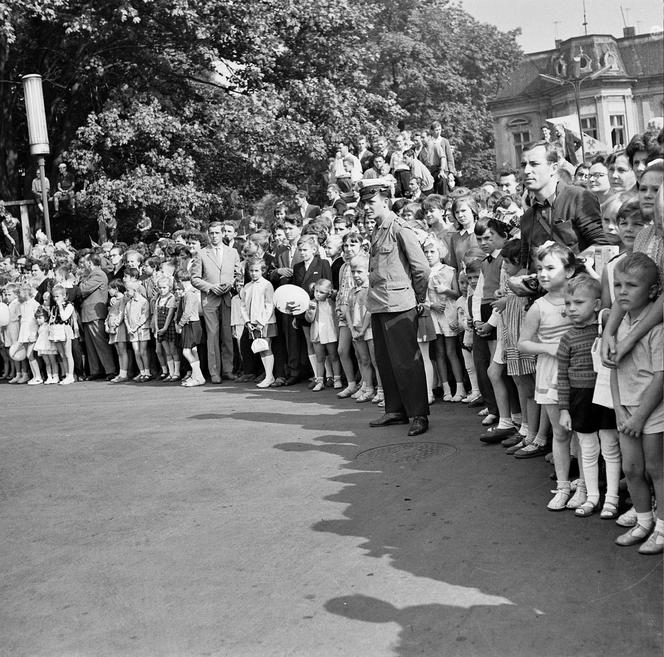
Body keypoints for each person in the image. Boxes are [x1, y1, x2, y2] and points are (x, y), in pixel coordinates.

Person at [361, 180, 430, 436]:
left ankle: (419, 414)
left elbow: (421, 268)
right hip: (379, 304)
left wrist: (417, 297)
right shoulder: (378, 229)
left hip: (400, 305)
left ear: (386, 201)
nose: (366, 208)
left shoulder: (400, 228)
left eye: (371, 202)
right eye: (364, 203)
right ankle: (395, 410)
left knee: (406, 362)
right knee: (386, 362)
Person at [610, 253, 664, 554]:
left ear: (653, 290)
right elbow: (613, 373)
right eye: (618, 285)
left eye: (631, 285)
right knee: (632, 470)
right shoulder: (618, 325)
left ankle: (662, 528)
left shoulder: (656, 329)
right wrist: (619, 410)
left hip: (652, 411)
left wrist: (640, 417)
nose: (622, 291)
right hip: (626, 411)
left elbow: (661, 378)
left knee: (657, 470)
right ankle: (643, 521)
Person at [518, 242, 576, 510]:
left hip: (580, 370)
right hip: (551, 373)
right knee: (561, 433)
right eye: (540, 268)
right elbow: (523, 343)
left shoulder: (580, 297)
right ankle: (563, 486)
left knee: (583, 432)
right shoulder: (538, 306)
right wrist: (549, 348)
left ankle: (585, 487)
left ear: (570, 270)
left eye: (550, 268)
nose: (542, 273)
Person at [557, 274, 619, 518]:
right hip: (579, 399)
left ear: (595, 305)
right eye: (568, 303)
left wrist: (605, 317)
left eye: (579, 303)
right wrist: (563, 409)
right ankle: (592, 496)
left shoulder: (606, 330)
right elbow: (562, 377)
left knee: (611, 447)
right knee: (588, 448)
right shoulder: (567, 339)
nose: (572, 308)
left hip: (605, 394)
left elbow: (612, 312)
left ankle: (612, 498)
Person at [519, 140, 606, 271]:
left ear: (553, 168)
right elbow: (526, 265)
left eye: (534, 164)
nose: (526, 170)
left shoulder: (579, 198)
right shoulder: (527, 218)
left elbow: (601, 244)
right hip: (546, 291)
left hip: (580, 286)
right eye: (523, 164)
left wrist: (567, 267)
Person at [191, 221, 243, 383]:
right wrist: (211, 287)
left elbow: (238, 274)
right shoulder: (201, 253)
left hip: (227, 297)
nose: (214, 236)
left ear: (223, 234)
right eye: (211, 233)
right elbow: (195, 279)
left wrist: (231, 284)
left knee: (227, 336)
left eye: (217, 233)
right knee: (212, 336)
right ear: (208, 234)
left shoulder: (232, 252)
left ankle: (228, 369)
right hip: (210, 298)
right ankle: (214, 372)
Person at [424, 237, 464, 402]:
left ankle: (460, 387)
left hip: (448, 312)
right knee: (438, 351)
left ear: (440, 253)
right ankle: (446, 387)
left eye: (432, 251)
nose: (429, 255)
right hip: (433, 314)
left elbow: (457, 293)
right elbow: (420, 296)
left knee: (451, 351)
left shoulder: (449, 270)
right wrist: (431, 305)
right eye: (426, 252)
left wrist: (445, 290)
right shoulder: (423, 271)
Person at [346, 254, 383, 404]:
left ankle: (381, 390)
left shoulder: (371, 289)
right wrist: (353, 329)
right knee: (363, 359)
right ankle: (368, 388)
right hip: (356, 329)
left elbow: (370, 310)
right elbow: (347, 311)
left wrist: (362, 330)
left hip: (369, 330)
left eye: (359, 271)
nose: (356, 275)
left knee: (376, 360)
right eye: (353, 272)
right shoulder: (352, 291)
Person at [239, 257, 277, 389]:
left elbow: (269, 304)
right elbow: (243, 305)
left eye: (257, 271)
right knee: (260, 349)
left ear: (263, 271)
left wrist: (261, 321)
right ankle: (268, 375)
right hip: (252, 324)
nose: (254, 273)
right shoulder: (247, 286)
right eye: (251, 271)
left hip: (265, 322)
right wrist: (247, 322)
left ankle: (269, 376)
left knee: (266, 348)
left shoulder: (267, 285)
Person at [79, 253, 116, 380]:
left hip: (95, 313)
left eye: (85, 263)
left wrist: (81, 281)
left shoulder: (98, 274)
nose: (84, 265)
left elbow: (83, 289)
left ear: (90, 263)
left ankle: (110, 369)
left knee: (100, 343)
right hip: (88, 313)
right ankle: (96, 370)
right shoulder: (91, 275)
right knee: (91, 345)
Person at [304, 279, 342, 391]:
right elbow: (309, 319)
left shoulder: (332, 303)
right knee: (320, 358)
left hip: (330, 333)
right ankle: (320, 381)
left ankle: (337, 379)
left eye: (321, 292)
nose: (317, 294)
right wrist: (310, 310)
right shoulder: (312, 303)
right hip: (317, 334)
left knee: (333, 356)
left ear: (329, 293)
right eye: (316, 291)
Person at [175, 269, 205, 387]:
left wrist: (180, 324)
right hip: (193, 323)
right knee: (193, 350)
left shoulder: (189, 293)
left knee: (186, 351)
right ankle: (197, 376)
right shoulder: (190, 292)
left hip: (190, 324)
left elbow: (187, 313)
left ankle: (198, 376)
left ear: (181, 281)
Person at [153, 274, 179, 381]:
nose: (162, 290)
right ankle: (171, 372)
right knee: (167, 352)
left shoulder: (171, 298)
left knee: (173, 350)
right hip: (160, 328)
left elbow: (169, 316)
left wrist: (164, 328)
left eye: (164, 287)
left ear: (169, 287)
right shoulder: (158, 299)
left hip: (168, 327)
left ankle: (176, 372)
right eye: (160, 288)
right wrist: (156, 328)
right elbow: (156, 315)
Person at [124, 280, 151, 382]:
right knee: (136, 352)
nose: (126, 292)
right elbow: (126, 316)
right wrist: (129, 328)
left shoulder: (143, 301)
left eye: (128, 290)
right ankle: (142, 372)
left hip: (142, 329)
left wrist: (136, 327)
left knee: (143, 351)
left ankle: (147, 372)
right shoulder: (129, 303)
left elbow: (145, 316)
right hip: (132, 331)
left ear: (134, 290)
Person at [49, 284, 76, 385]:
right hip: (56, 331)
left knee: (68, 354)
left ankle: (71, 375)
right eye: (54, 296)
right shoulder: (54, 307)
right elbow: (51, 320)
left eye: (58, 296)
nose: (55, 299)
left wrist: (60, 305)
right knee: (62, 354)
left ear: (64, 296)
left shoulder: (69, 305)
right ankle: (65, 374)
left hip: (64, 329)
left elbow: (64, 317)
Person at [34, 306, 58, 384]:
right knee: (47, 363)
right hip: (42, 346)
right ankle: (49, 377)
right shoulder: (39, 327)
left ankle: (56, 376)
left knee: (53, 361)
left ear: (45, 317)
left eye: (40, 317)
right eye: (37, 318)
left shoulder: (48, 325)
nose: (38, 320)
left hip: (49, 346)